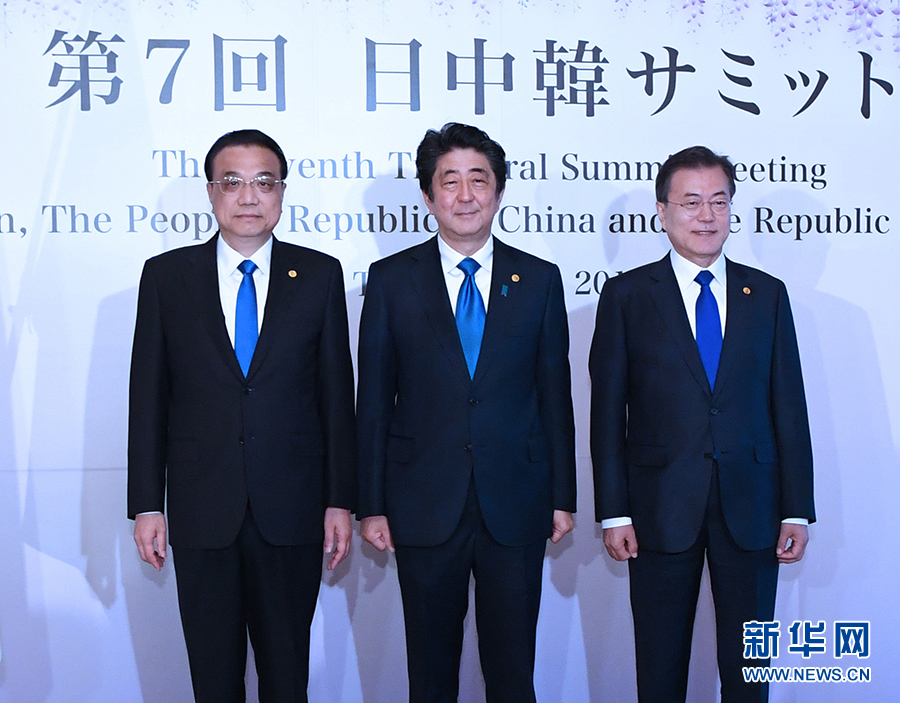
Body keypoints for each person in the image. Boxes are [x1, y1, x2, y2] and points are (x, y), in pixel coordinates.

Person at [127, 129, 356, 703]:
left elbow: (336, 398)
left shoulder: (320, 275)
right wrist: (147, 503)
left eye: (263, 182)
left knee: (287, 677)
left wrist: (340, 499)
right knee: (213, 679)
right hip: (202, 510)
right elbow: (148, 398)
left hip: (293, 511)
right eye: (233, 182)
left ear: (281, 192)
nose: (249, 196)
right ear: (211, 192)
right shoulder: (167, 277)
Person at [356, 122, 577, 703]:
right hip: (423, 502)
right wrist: (371, 504)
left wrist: (562, 496)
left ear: (498, 191)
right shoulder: (391, 280)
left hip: (517, 501)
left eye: (478, 180)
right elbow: (373, 401)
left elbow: (555, 397)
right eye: (449, 181)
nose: (465, 195)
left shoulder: (539, 280)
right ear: (428, 196)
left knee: (512, 672)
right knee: (431, 674)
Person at [589, 145, 816, 703]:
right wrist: (614, 511)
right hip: (658, 508)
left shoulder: (766, 294)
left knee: (750, 671)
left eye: (719, 201)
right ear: (662, 211)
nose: (707, 216)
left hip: (753, 507)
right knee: (660, 666)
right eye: (691, 202)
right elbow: (606, 415)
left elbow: (788, 406)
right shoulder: (626, 296)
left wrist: (795, 507)